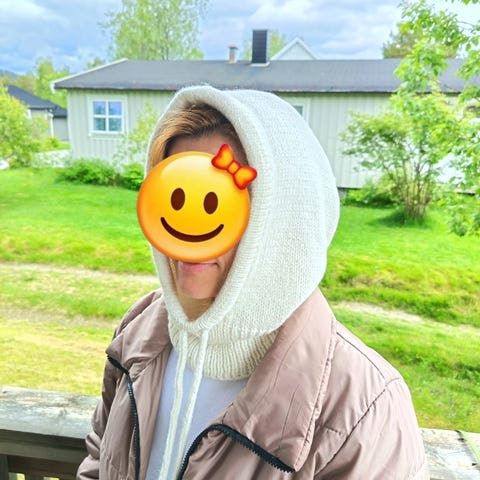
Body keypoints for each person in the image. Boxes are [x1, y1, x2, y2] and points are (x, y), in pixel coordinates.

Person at [77, 86, 429, 480]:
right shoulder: (141, 328)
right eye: (176, 197)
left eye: (220, 202)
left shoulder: (365, 409)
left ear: (285, 220)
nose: (189, 234)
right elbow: (100, 457)